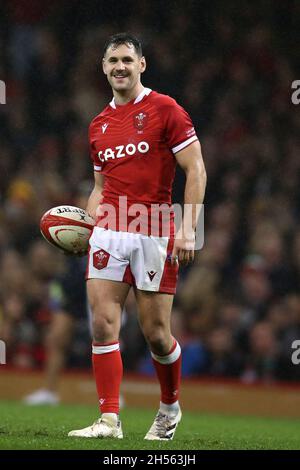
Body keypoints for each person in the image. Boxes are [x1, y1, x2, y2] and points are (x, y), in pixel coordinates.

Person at [68, 33, 206, 441]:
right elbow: (99, 186)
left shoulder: (166, 109)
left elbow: (195, 170)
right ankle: (109, 420)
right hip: (109, 229)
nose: (120, 67)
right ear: (104, 68)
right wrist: (87, 227)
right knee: (102, 324)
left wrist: (188, 228)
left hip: (155, 230)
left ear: (142, 64)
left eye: (127, 59)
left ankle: (169, 408)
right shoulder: (98, 126)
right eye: (112, 61)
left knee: (156, 335)